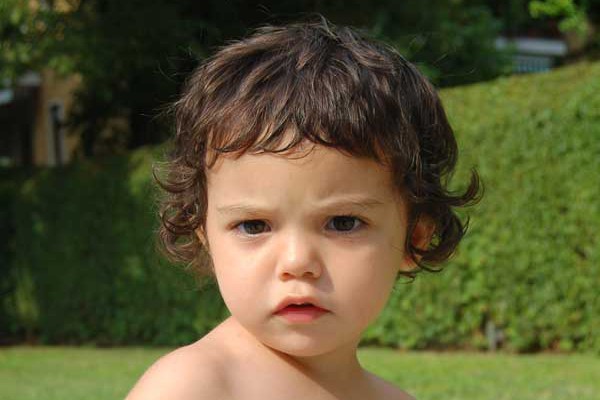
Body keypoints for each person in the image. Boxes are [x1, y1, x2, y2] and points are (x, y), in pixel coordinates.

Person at [126, 16, 480, 400]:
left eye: (342, 223)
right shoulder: (192, 387)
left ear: (415, 238)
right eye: (254, 226)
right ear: (205, 236)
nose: (297, 262)